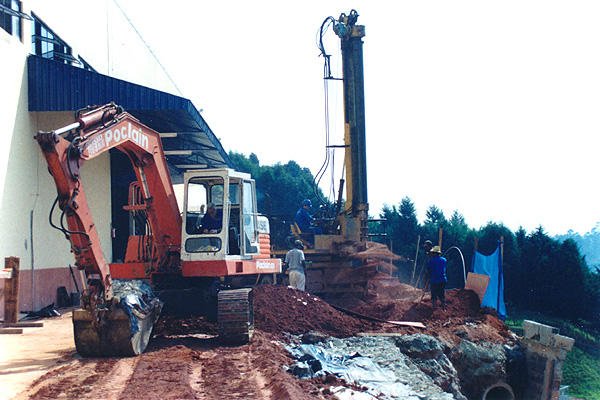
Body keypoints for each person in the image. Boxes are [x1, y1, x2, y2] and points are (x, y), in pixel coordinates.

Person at [426, 246, 447, 311]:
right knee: (441, 294)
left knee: (434, 295)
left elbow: (428, 270)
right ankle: (444, 308)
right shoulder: (444, 260)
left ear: (434, 253)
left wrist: (428, 277)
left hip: (434, 280)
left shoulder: (431, 261)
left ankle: (434, 308)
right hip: (443, 279)